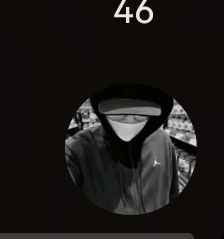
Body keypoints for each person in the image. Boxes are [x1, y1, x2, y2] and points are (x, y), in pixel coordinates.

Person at [66, 85, 185, 215]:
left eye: (140, 114)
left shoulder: (163, 141)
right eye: (117, 113)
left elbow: (173, 193)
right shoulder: (76, 150)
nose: (129, 121)